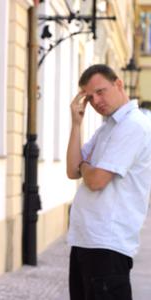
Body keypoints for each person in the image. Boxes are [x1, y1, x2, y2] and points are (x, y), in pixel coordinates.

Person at [66, 64, 151, 300]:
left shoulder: (133, 126)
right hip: (87, 241)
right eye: (90, 97)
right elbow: (72, 170)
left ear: (119, 84)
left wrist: (85, 167)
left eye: (100, 92)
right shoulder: (108, 128)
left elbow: (96, 180)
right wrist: (76, 124)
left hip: (108, 246)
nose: (96, 101)